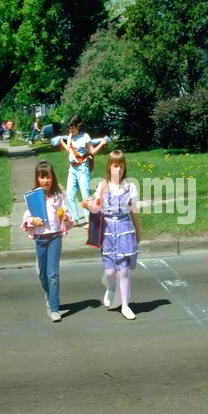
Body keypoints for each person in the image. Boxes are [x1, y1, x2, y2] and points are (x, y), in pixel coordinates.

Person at [83, 150, 141, 320]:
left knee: (124, 271)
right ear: (109, 167)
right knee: (110, 272)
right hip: (107, 231)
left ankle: (125, 305)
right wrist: (88, 205)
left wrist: (138, 232)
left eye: (121, 166)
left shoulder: (130, 187)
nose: (118, 169)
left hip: (124, 229)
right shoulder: (103, 186)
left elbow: (134, 212)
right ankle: (110, 288)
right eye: (115, 165)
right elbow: (95, 206)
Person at [21, 160, 73, 322]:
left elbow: (66, 214)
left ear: (53, 178)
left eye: (48, 177)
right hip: (41, 239)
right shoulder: (34, 196)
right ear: (37, 178)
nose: (45, 181)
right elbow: (27, 216)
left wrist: (65, 217)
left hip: (55, 237)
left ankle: (54, 307)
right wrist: (32, 221)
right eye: (42, 177)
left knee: (52, 274)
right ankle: (49, 295)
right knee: (42, 273)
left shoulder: (58, 196)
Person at [60, 114, 107, 228]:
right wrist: (62, 144)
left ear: (78, 126)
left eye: (73, 127)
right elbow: (70, 151)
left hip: (82, 169)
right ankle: (75, 219)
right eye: (69, 128)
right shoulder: (70, 136)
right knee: (70, 194)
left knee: (85, 195)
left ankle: (88, 220)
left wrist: (102, 143)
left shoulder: (85, 136)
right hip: (72, 169)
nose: (71, 130)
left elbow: (92, 152)